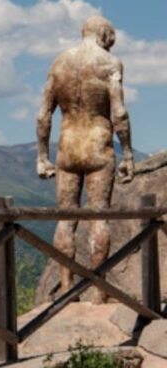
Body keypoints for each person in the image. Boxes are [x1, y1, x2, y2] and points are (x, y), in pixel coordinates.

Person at [36, 15, 134, 303]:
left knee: (66, 219)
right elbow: (119, 113)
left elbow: (43, 115)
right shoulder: (109, 64)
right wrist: (127, 152)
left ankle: (66, 290)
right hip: (97, 146)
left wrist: (42, 156)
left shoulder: (59, 63)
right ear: (103, 34)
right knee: (99, 216)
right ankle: (99, 292)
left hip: (67, 148)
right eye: (110, 39)